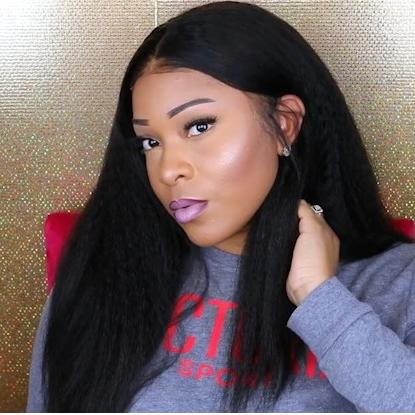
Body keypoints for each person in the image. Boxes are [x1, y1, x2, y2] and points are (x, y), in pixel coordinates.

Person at [26, 1, 415, 412]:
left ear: (284, 125)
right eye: (150, 142)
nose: (168, 170)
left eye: (199, 126)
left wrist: (319, 297)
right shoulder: (99, 275)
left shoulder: (397, 282)